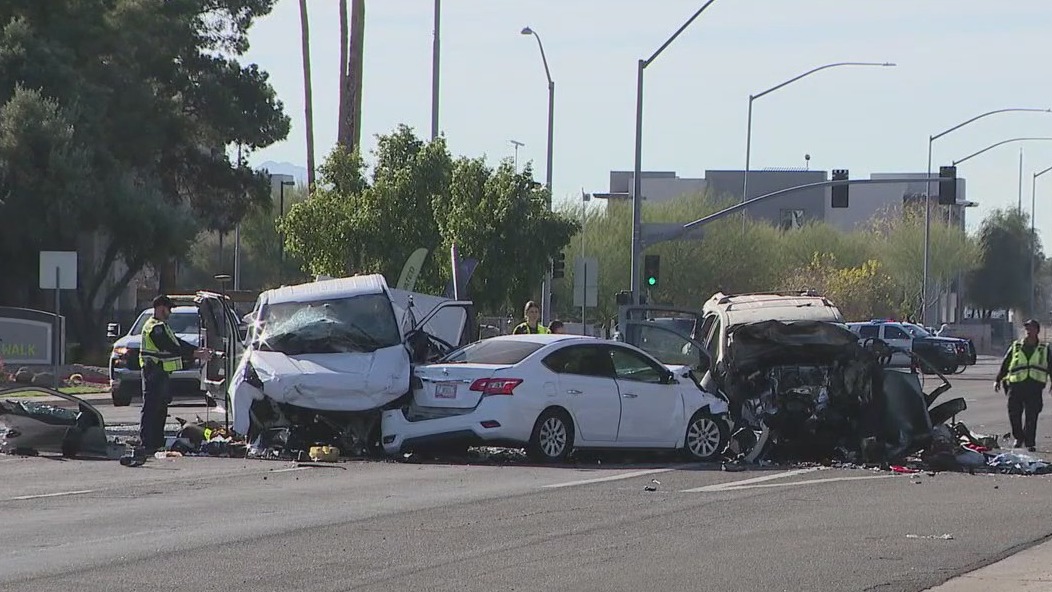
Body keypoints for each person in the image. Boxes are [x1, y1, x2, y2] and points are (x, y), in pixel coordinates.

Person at [135, 296, 210, 457]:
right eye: (168, 308)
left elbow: (177, 343)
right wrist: (194, 352)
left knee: (160, 408)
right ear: (160, 307)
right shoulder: (154, 327)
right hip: (153, 372)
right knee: (151, 408)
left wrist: (196, 350)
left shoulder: (163, 326)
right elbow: (167, 345)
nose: (169, 312)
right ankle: (148, 442)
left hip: (161, 373)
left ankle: (156, 441)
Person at [994, 319, 1051, 452]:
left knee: (1032, 415)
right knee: (1014, 414)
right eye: (1026, 329)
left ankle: (1030, 442)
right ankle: (1019, 437)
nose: (1028, 331)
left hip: (1035, 386)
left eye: (1030, 328)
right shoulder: (1016, 346)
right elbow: (1006, 363)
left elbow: (1051, 365)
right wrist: (998, 379)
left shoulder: (1044, 348)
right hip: (1016, 385)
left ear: (1037, 331)